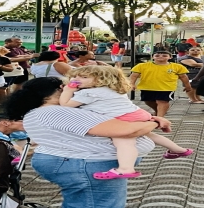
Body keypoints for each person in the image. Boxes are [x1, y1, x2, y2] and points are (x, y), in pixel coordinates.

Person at [1, 77, 170, 208]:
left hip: (77, 163)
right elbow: (127, 131)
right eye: (70, 87)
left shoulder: (42, 112)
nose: (78, 91)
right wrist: (155, 122)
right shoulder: (58, 112)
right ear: (57, 91)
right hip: (84, 165)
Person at [60, 66, 193, 179]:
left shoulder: (89, 93)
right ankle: (179, 150)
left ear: (102, 79)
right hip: (137, 114)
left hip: (124, 119)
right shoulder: (112, 90)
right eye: (74, 76)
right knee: (149, 134)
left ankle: (125, 168)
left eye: (84, 77)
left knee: (124, 143)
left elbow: (65, 105)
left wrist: (67, 91)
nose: (75, 79)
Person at [129, 51, 193, 117]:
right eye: (157, 56)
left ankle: (160, 117)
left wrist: (187, 85)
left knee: (163, 102)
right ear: (152, 57)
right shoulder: (142, 66)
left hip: (167, 88)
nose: (160, 57)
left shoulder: (177, 66)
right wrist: (132, 84)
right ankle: (157, 111)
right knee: (148, 101)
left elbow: (183, 77)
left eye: (164, 55)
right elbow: (134, 75)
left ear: (170, 57)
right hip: (147, 87)